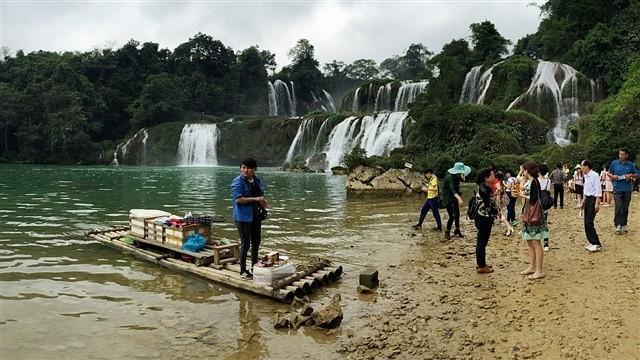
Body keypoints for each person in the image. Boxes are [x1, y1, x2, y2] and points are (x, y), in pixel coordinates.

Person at [231, 157, 268, 279]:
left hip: (255, 216)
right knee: (245, 243)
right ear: (240, 168)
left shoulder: (256, 180)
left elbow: (261, 194)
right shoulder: (237, 182)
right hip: (242, 217)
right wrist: (256, 199)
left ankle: (254, 266)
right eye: (243, 168)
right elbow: (238, 200)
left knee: (256, 242)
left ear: (254, 169)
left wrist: (262, 202)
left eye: (249, 168)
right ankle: (242, 271)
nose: (246, 170)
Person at [518, 161, 547, 280]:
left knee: (535, 242)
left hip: (533, 214)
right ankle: (532, 266)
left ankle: (539, 270)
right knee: (530, 242)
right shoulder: (529, 181)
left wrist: (522, 196)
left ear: (527, 170)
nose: (523, 172)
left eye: (524, 169)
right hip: (528, 213)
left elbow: (534, 199)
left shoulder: (534, 182)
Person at [607, 147, 639, 234]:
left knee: (625, 207)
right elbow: (608, 172)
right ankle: (617, 225)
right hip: (617, 188)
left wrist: (631, 175)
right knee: (618, 206)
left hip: (627, 189)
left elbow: (638, 174)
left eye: (622, 154)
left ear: (627, 155)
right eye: (619, 154)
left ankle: (624, 224)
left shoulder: (631, 164)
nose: (620, 156)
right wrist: (612, 176)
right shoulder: (614, 163)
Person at [473, 168, 500, 273]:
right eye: (492, 175)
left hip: (481, 217)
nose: (494, 177)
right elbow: (488, 205)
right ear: (486, 178)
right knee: (481, 241)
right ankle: (481, 266)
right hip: (484, 218)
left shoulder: (483, 187)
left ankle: (481, 263)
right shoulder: (483, 190)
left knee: (482, 241)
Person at [441, 162, 470, 240]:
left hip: (454, 198)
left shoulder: (457, 178)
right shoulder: (449, 177)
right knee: (452, 215)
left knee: (457, 215)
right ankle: (447, 232)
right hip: (447, 198)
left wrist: (463, 176)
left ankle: (457, 230)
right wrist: (459, 199)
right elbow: (453, 190)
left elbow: (460, 184)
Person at [581, 160, 603, 251]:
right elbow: (586, 189)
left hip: (593, 199)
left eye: (582, 166)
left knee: (589, 222)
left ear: (587, 166)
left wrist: (597, 204)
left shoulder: (595, 175)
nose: (581, 168)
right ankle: (591, 242)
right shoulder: (586, 176)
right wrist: (583, 200)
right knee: (586, 222)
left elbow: (598, 190)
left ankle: (596, 243)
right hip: (588, 199)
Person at [538, 164, 552, 251]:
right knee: (545, 223)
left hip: (537, 204)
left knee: (536, 223)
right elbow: (548, 191)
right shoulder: (548, 181)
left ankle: (537, 241)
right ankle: (546, 243)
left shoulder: (535, 181)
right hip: (545, 204)